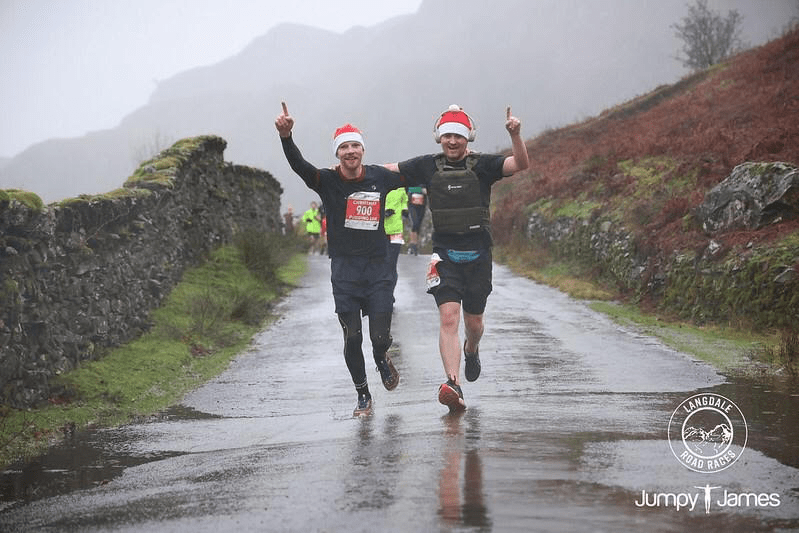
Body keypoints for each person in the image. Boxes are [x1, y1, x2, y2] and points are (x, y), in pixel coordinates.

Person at [275, 102, 421, 417]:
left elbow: (416, 170)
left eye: (355, 145)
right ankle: (363, 395)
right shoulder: (327, 180)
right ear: (337, 153)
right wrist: (286, 137)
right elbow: (300, 166)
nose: (350, 151)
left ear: (363, 150)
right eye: (344, 147)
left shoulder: (381, 177)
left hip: (378, 269)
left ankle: (381, 357)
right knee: (352, 337)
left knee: (378, 338)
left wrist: (453, 156)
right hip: (345, 272)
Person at [385, 104, 529, 411]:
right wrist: (348, 171)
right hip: (444, 257)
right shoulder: (427, 165)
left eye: (459, 136)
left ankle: (471, 348)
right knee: (448, 317)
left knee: (473, 323)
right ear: (439, 137)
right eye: (447, 135)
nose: (452, 141)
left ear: (468, 138)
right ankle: (453, 384)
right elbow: (388, 171)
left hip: (479, 256)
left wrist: (515, 135)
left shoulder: (483, 165)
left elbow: (520, 163)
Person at [384, 187, 408, 297]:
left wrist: (404, 209)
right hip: (380, 232)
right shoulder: (378, 184)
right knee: (380, 265)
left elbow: (404, 199)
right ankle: (380, 294)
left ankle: (389, 294)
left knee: (391, 265)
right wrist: (383, 211)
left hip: (396, 231)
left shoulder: (400, 187)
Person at [405, 185, 427, 255]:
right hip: (412, 206)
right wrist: (420, 190)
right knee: (415, 224)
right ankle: (412, 245)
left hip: (422, 206)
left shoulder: (425, 180)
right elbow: (407, 189)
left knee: (418, 226)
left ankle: (415, 246)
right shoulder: (412, 180)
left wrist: (426, 191)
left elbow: (430, 189)